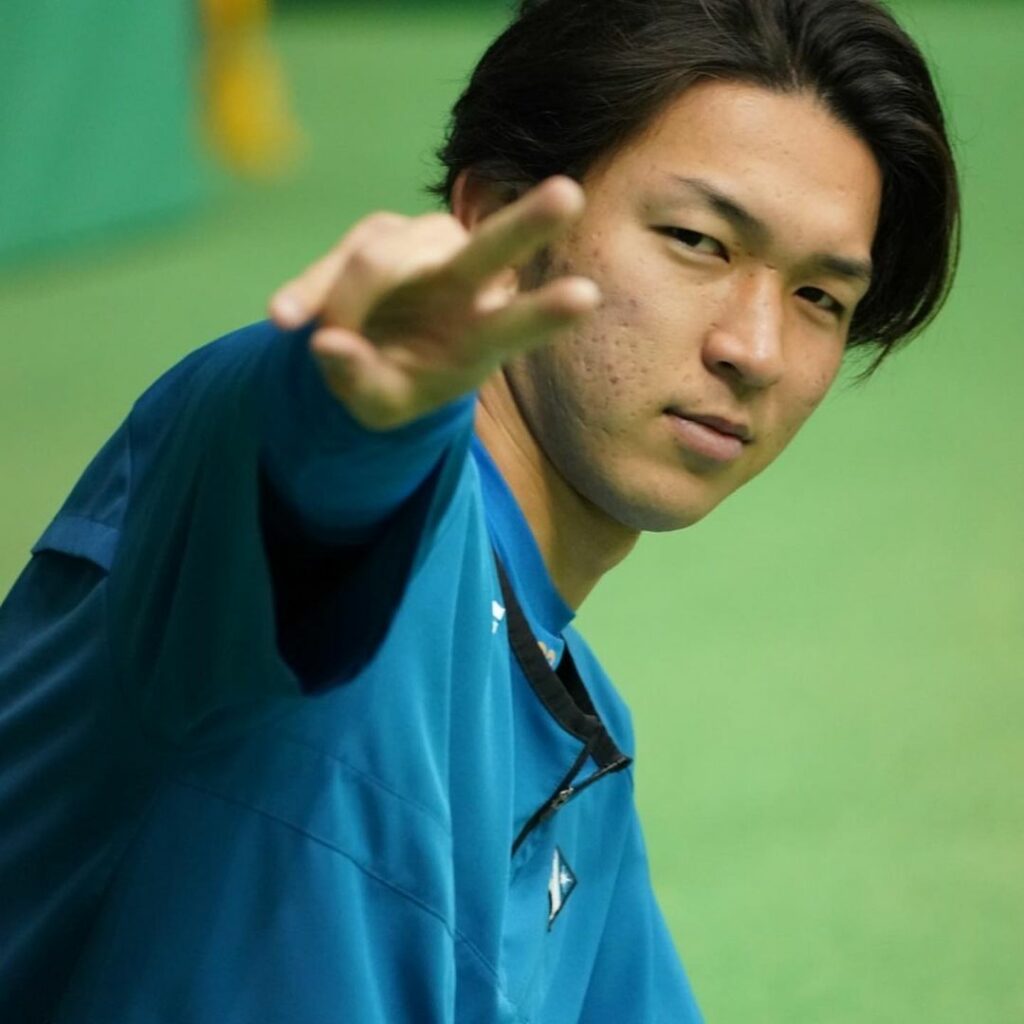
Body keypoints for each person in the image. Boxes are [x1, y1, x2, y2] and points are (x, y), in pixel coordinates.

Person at [0, 0, 960, 1020]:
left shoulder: (581, 748)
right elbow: (310, 482)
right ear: (498, 222)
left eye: (819, 298)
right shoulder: (277, 468)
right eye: (697, 240)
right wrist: (357, 410)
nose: (755, 348)